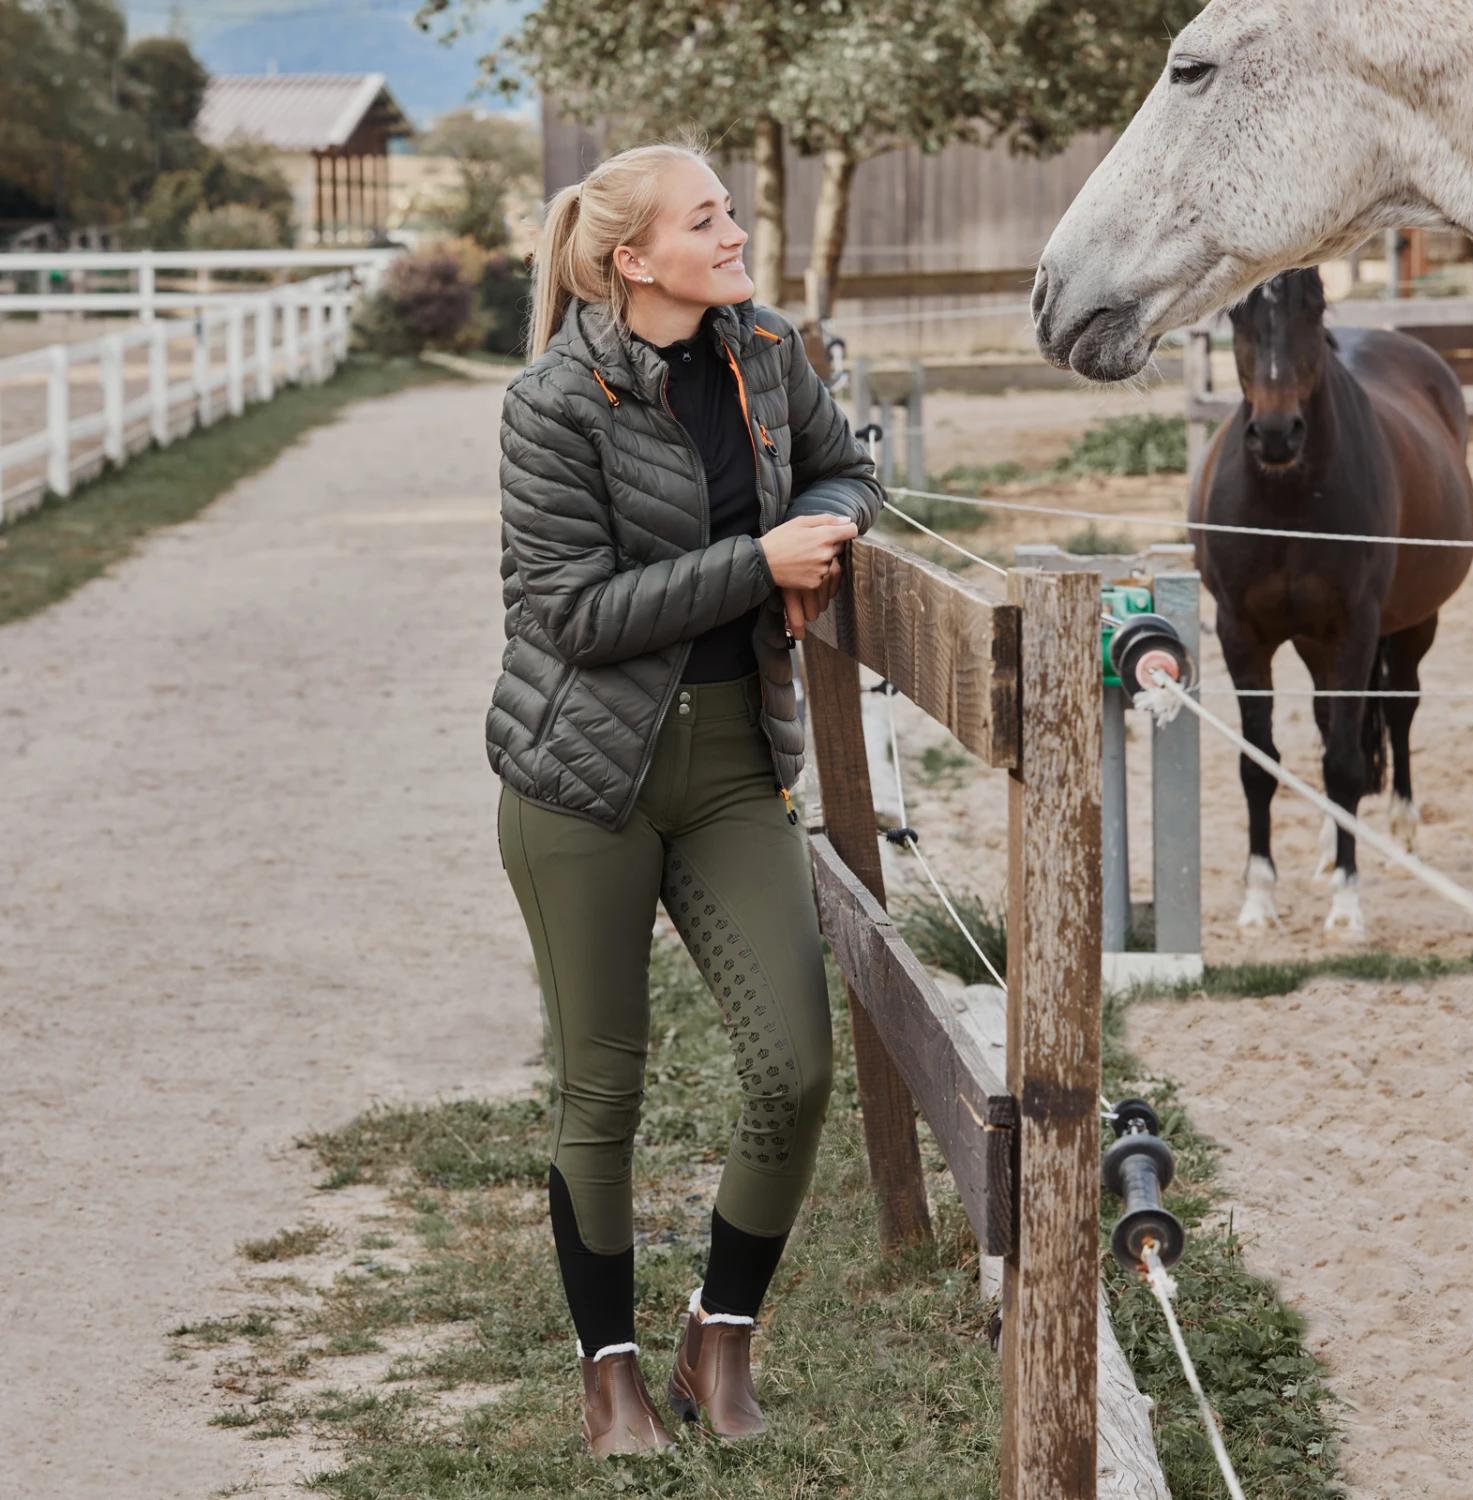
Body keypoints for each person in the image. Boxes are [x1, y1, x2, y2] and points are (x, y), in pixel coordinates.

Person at [487, 137, 882, 1457]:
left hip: (729, 768)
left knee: (797, 1066)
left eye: (730, 210)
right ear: (631, 259)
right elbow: (574, 612)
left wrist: (824, 529)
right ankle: (610, 1383)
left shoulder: (765, 353)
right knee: (602, 1088)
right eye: (704, 218)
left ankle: (723, 1340)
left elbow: (845, 469)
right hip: (582, 780)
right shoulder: (553, 402)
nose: (734, 231)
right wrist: (752, 560)